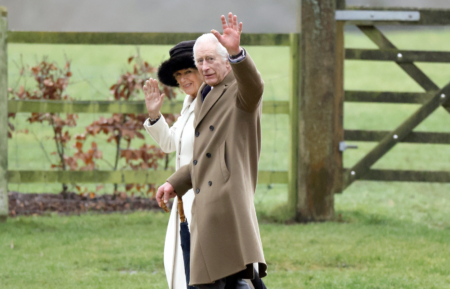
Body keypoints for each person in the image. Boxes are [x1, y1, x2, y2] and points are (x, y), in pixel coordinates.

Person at [156, 13, 267, 289]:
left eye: (211, 59)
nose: (204, 67)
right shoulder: (206, 94)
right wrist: (176, 182)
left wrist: (237, 53)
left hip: (227, 202)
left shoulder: (240, 91)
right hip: (205, 203)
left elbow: (255, 86)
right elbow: (205, 153)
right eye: (200, 61)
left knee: (211, 280)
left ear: (226, 62)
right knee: (223, 280)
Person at [143, 40, 203, 289]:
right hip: (182, 199)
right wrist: (155, 115)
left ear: (202, 69)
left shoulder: (210, 103)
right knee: (176, 264)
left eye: (188, 71)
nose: (183, 79)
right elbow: (170, 144)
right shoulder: (188, 105)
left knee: (202, 270)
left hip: (204, 197)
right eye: (178, 75)